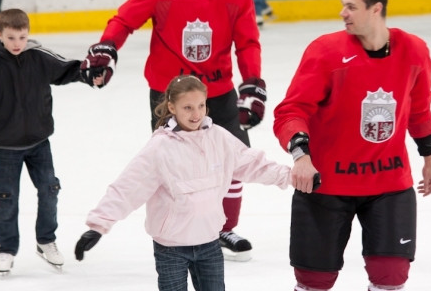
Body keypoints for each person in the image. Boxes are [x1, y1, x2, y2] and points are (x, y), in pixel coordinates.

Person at [79, 0, 267, 261]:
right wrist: (108, 46)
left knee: (235, 159)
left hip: (217, 91)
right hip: (170, 94)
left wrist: (252, 81)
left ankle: (223, 228)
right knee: (172, 164)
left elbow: (248, 42)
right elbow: (124, 20)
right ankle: (182, 231)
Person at [273, 0, 431, 291]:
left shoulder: (414, 51)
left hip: (389, 183)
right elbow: (291, 111)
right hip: (326, 184)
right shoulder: (326, 52)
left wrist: (429, 159)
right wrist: (301, 156)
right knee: (314, 281)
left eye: (351, 7)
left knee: (391, 277)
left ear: (375, 9)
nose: (342, 13)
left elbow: (419, 110)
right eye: (342, 6)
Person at [75, 75, 291, 291]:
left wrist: (292, 177)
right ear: (172, 107)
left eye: (201, 105)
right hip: (171, 248)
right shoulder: (160, 148)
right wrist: (98, 225)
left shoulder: (218, 138)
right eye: (187, 107)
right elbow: (128, 187)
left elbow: (254, 164)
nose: (196, 114)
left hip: (209, 242)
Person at [0, 8, 100, 274]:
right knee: (6, 198)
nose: (17, 43)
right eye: (11, 37)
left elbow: (66, 69)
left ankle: (46, 240)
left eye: (22, 37)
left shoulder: (38, 56)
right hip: (6, 146)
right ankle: (6, 249)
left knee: (50, 189)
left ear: (28, 34)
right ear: (0, 34)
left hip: (39, 142)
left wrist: (88, 75)